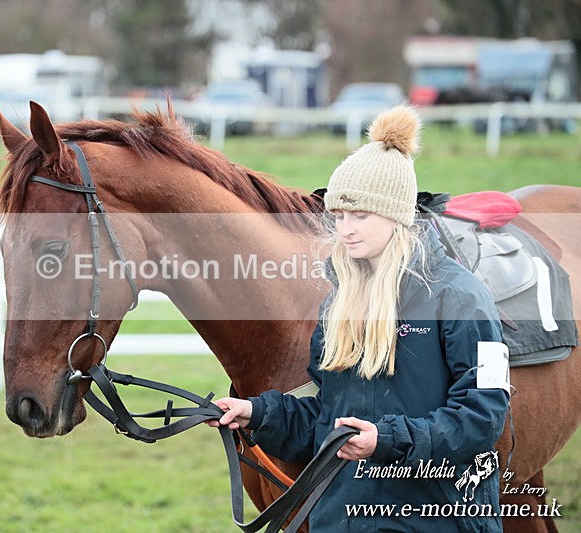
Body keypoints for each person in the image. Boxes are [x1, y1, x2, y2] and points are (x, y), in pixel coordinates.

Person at [209, 106, 510, 531]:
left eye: (361, 216)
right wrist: (257, 415)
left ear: (396, 216)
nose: (346, 229)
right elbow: (326, 422)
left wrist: (385, 441)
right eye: (340, 216)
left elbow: (483, 417)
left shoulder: (461, 297)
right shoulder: (339, 303)